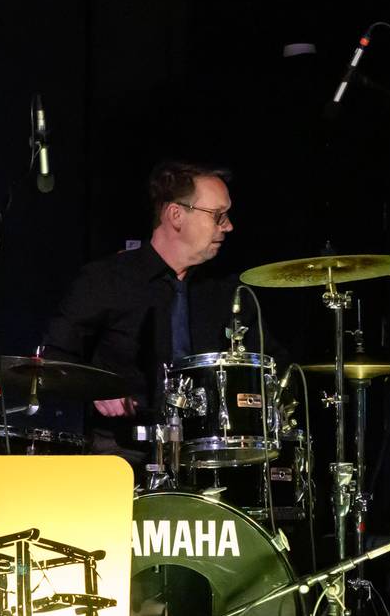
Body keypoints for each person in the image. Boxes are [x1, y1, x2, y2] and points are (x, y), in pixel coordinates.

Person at [39, 161, 243, 459]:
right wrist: (97, 388)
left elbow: (270, 366)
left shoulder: (227, 291)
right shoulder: (106, 280)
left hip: (207, 454)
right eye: (218, 215)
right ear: (176, 215)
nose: (228, 226)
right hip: (122, 452)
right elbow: (55, 356)